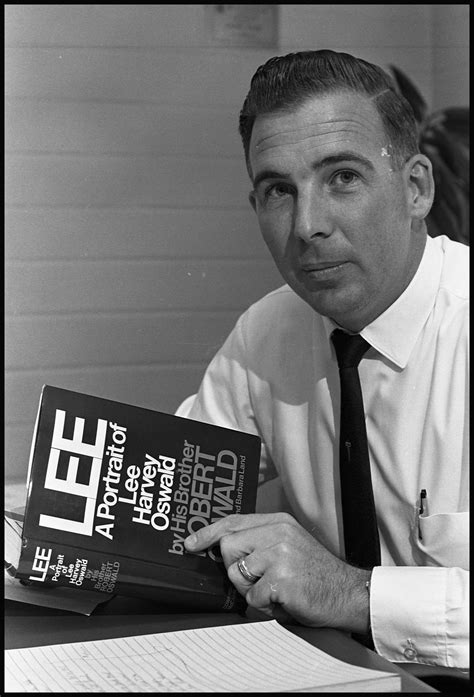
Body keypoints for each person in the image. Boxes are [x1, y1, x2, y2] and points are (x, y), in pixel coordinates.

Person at [180, 50, 469, 669]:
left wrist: (351, 594)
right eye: (279, 190)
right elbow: (177, 491)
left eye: (342, 177)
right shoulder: (268, 332)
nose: (307, 225)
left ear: (416, 188)